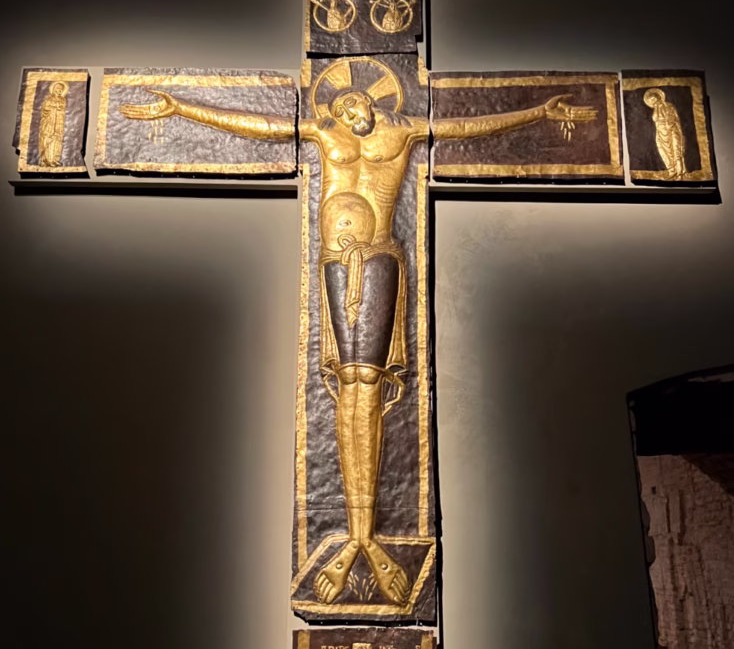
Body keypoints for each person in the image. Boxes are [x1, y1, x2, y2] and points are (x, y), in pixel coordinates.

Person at [120, 69, 596, 605]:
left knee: (366, 387)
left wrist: (536, 113)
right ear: (335, 112)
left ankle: (363, 539)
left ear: (375, 105)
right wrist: (183, 109)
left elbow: (466, 126)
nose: (354, 114)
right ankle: (358, 539)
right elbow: (263, 126)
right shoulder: (324, 135)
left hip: (377, 262)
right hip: (334, 267)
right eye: (344, 109)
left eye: (360, 107)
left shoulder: (404, 131)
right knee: (346, 389)